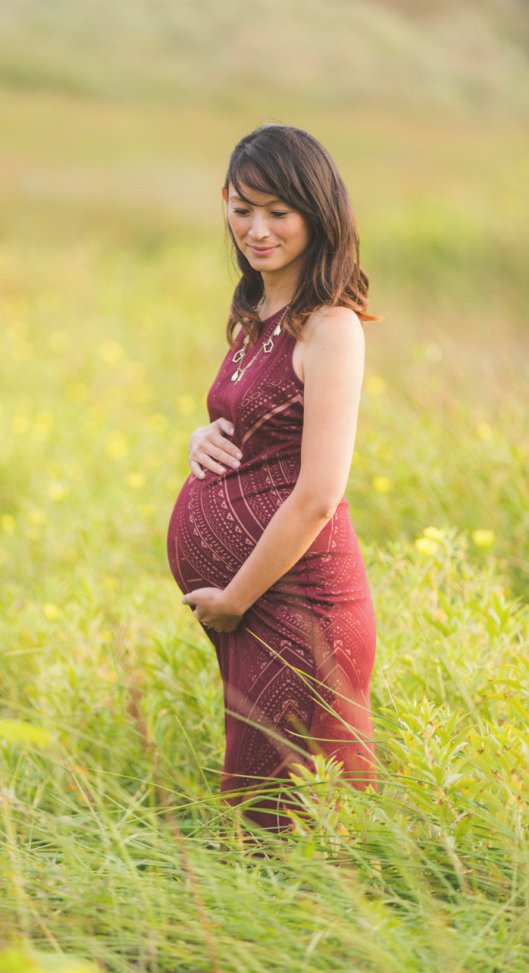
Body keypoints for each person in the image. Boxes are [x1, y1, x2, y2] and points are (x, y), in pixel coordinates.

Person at [166, 124, 379, 831]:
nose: (257, 230)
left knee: (291, 823)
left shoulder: (331, 328)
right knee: (263, 805)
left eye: (278, 212)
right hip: (256, 605)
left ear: (317, 215)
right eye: (242, 209)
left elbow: (319, 495)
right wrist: (200, 435)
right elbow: (257, 427)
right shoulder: (258, 312)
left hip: (298, 607)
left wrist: (233, 598)